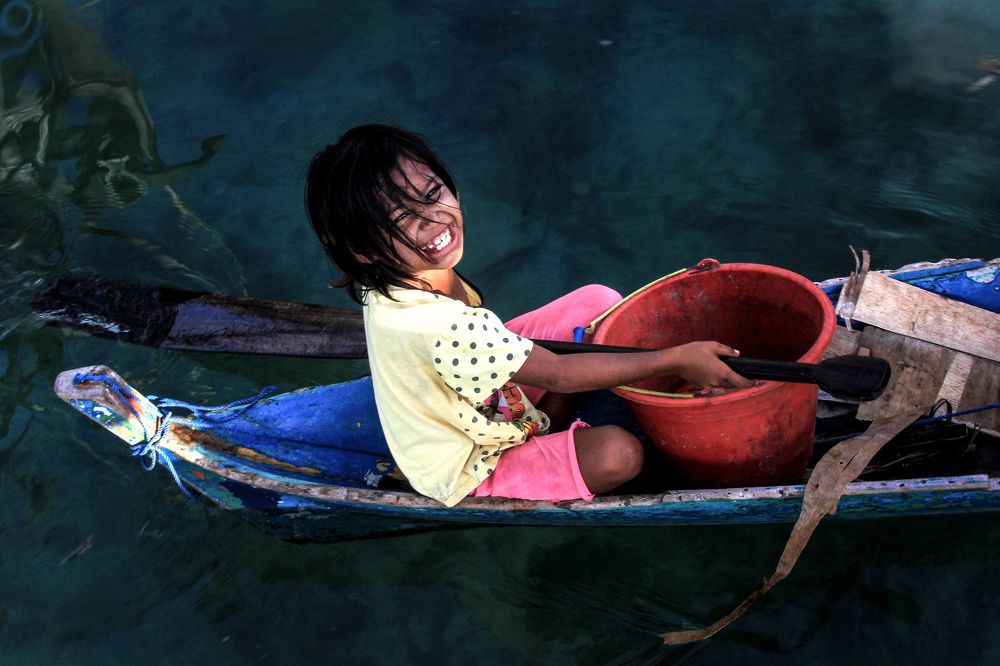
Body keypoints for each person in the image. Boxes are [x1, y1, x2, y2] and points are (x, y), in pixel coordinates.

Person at [304, 125, 752, 507]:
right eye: (404, 218)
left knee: (596, 301)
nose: (435, 219)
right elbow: (556, 372)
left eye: (432, 192)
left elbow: (491, 345)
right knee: (619, 453)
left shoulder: (398, 276)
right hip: (465, 463)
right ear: (360, 251)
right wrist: (672, 359)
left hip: (470, 391)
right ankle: (547, 427)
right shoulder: (439, 323)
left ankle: (550, 421)